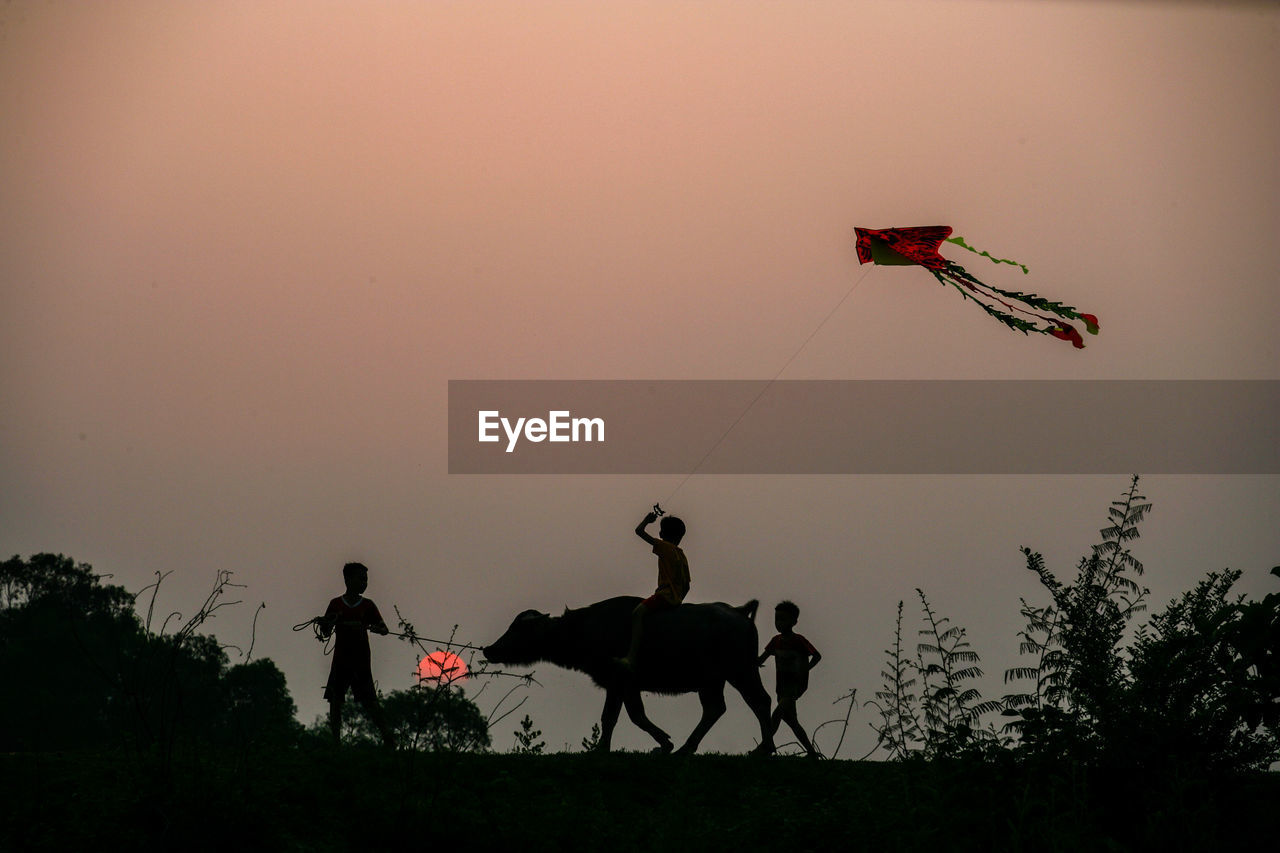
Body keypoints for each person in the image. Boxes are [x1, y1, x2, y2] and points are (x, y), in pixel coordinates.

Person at [317, 562, 396, 747]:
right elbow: (325, 632)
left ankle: (388, 738)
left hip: (360, 660)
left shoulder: (367, 606)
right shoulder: (335, 604)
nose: (364, 583)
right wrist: (325, 623)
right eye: (361, 579)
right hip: (341, 659)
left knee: (370, 702)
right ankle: (336, 743)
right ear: (348, 579)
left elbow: (384, 629)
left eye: (365, 580)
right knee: (335, 700)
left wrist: (376, 628)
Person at [615, 509, 690, 671]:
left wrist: (647, 520)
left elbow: (639, 532)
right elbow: (687, 585)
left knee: (638, 613)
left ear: (664, 534)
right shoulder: (681, 554)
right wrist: (678, 599)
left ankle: (631, 657)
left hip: (664, 596)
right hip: (677, 599)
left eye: (661, 530)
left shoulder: (664, 547)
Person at [758, 600, 822, 757]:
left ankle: (764, 746)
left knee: (777, 714)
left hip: (794, 686)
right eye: (777, 619)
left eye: (783, 619)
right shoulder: (776, 641)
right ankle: (812, 752)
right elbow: (761, 659)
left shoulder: (799, 641)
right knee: (792, 722)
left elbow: (817, 656)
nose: (779, 623)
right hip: (780, 686)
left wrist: (805, 670)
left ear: (794, 622)